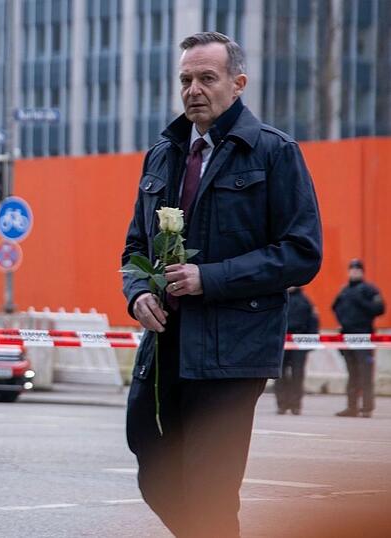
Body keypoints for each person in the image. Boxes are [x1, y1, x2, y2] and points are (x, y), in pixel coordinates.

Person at [121, 32, 322, 538]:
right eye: (186, 79)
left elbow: (302, 253)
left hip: (233, 351)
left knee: (210, 488)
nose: (193, 89)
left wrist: (208, 278)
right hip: (165, 345)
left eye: (207, 78)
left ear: (238, 84)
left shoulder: (274, 152)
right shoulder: (163, 153)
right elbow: (133, 250)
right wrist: (138, 293)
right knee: (150, 458)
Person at [333, 258, 384, 418]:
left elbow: (379, 309)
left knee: (365, 373)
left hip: (364, 337)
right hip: (347, 337)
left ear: (362, 272)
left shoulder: (369, 290)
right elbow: (335, 307)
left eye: (357, 269)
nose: (354, 272)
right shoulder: (344, 290)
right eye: (352, 269)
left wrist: (359, 300)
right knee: (352, 373)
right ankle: (352, 407)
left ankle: (367, 407)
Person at [275, 287, 318, 415]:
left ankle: (295, 405)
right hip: (281, 342)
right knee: (280, 374)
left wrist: (310, 342)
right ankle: (282, 404)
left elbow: (313, 322)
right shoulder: (280, 299)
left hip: (299, 343)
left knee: (297, 374)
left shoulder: (305, 301)